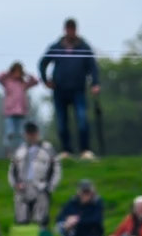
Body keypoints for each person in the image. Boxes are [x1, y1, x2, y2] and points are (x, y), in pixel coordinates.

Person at [38, 18, 101, 158]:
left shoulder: (84, 47)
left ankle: (85, 150)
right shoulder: (56, 47)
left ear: (75, 30)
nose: (70, 31)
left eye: (73, 28)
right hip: (59, 90)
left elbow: (93, 66)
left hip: (78, 89)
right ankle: (66, 151)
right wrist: (45, 80)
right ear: (65, 29)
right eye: (68, 28)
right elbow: (43, 63)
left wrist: (95, 83)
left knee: (82, 119)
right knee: (61, 122)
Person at [8, 122, 61, 225]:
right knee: (21, 221)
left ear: (37, 133)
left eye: (33, 133)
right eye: (29, 133)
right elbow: (12, 171)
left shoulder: (48, 148)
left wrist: (50, 187)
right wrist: (15, 185)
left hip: (41, 188)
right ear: (25, 134)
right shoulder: (19, 150)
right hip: (22, 189)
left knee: (40, 221)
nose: (31, 136)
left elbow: (56, 170)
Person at [0, 62, 40, 151]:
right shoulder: (7, 82)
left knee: (21, 134)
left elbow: (36, 81)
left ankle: (20, 151)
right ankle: (8, 151)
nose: (17, 74)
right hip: (10, 112)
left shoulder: (23, 83)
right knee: (10, 133)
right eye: (15, 71)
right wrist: (8, 73)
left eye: (19, 72)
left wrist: (26, 74)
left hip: (21, 112)